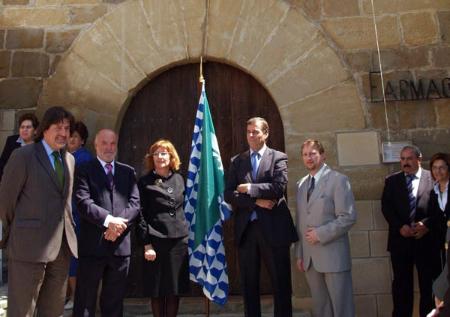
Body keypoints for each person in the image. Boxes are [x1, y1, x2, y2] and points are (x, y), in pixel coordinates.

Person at [0, 106, 77, 316]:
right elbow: (6, 201)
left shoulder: (69, 160)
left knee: (53, 310)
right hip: (28, 247)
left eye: (67, 128)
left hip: (61, 249)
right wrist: (18, 229)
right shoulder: (23, 156)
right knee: (22, 310)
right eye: (58, 127)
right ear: (44, 129)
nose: (63, 133)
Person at [224, 117, 298, 317]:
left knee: (280, 282)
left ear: (265, 134)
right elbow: (229, 194)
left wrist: (250, 188)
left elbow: (278, 188)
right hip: (247, 230)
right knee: (249, 284)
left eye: (255, 131)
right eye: (248, 131)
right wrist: (256, 201)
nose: (250, 135)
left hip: (274, 230)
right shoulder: (237, 161)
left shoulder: (278, 158)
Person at [73, 128, 140, 317]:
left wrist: (118, 226)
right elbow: (83, 202)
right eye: (104, 143)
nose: (109, 147)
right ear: (95, 145)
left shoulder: (128, 172)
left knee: (114, 302)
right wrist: (109, 221)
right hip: (93, 246)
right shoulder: (84, 169)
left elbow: (135, 205)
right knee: (85, 302)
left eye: (113, 143)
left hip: (120, 248)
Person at [295, 139, 356, 317]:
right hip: (309, 259)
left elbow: (348, 217)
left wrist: (320, 234)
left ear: (323, 155)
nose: (309, 158)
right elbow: (300, 221)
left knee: (341, 308)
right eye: (305, 154)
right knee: (322, 309)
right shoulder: (301, 185)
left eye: (313, 153)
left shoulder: (338, 180)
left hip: (333, 256)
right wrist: (300, 253)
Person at [382, 145, 438, 317]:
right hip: (400, 242)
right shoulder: (392, 181)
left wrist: (426, 224)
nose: (405, 163)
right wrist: (400, 227)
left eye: (409, 159)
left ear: (419, 159)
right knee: (401, 286)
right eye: (403, 159)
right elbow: (386, 207)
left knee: (428, 286)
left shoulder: (433, 177)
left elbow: (440, 208)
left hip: (426, 242)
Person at [136, 139, 189, 317]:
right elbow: (141, 215)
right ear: (152, 158)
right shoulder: (144, 182)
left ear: (171, 156)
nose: (160, 157)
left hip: (178, 243)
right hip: (155, 243)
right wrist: (147, 244)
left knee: (174, 290)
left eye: (164, 153)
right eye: (156, 153)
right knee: (157, 290)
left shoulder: (179, 179)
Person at [64, 121, 93, 310]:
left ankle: (77, 299)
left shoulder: (81, 158)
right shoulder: (68, 156)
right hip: (68, 215)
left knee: (74, 259)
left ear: (82, 141)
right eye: (70, 136)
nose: (71, 140)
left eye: (75, 137)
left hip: (76, 216)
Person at [0, 112, 39, 181]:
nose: (24, 130)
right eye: (22, 127)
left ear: (35, 131)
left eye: (28, 127)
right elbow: (3, 163)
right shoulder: (11, 141)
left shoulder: (40, 145)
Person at [429, 153, 450, 269]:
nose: (438, 171)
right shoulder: (433, 192)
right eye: (434, 168)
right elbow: (434, 217)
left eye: (442, 167)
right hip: (441, 243)